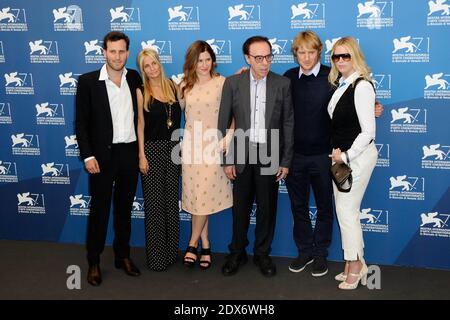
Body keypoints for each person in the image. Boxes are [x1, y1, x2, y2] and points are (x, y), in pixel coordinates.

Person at [283, 31, 383, 278]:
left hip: (327, 156)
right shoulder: (287, 78)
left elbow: (355, 104)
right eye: (301, 52)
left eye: (311, 52)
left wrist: (374, 108)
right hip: (295, 156)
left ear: (319, 52)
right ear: (295, 54)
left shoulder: (333, 77)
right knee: (298, 206)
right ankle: (304, 250)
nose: (306, 57)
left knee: (328, 207)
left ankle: (321, 255)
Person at [218, 36, 294, 277]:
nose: (264, 62)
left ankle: (262, 254)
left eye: (268, 56)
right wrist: (226, 159)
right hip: (240, 153)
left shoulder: (282, 84)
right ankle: (237, 252)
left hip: (270, 154)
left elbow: (289, 124)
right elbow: (222, 123)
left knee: (267, 208)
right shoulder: (232, 83)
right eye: (258, 58)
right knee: (240, 208)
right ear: (247, 58)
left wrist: (285, 161)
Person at [76, 31, 142, 286]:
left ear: (127, 52)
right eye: (112, 51)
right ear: (104, 52)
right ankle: (93, 260)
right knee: (100, 211)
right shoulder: (88, 81)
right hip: (102, 156)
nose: (117, 56)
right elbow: (81, 123)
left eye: (122, 51)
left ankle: (122, 256)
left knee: (124, 209)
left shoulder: (134, 78)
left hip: (129, 154)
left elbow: (159, 93)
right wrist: (88, 155)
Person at [327, 37, 377, 290]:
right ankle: (355, 262)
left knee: (346, 213)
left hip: (355, 158)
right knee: (347, 212)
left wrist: (346, 156)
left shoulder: (362, 86)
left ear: (355, 56)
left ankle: (355, 267)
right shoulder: (341, 85)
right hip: (342, 159)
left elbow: (368, 131)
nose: (341, 60)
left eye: (346, 55)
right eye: (336, 57)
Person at [180, 40, 233, 270]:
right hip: (191, 148)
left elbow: (234, 114)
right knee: (199, 198)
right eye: (199, 60)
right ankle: (206, 244)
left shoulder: (223, 83)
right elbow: (179, 113)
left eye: (208, 59)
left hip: (214, 147)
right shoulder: (183, 86)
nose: (204, 64)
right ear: (192, 62)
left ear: (213, 60)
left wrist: (229, 137)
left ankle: (191, 244)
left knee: (202, 196)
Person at [136, 49, 182, 271]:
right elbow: (140, 125)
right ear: (142, 69)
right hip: (152, 151)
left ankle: (172, 253)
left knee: (171, 203)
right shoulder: (141, 91)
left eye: (154, 63)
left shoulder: (173, 86)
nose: (152, 69)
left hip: (174, 148)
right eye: (147, 65)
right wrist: (141, 155)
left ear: (160, 64)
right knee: (154, 207)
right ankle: (156, 258)